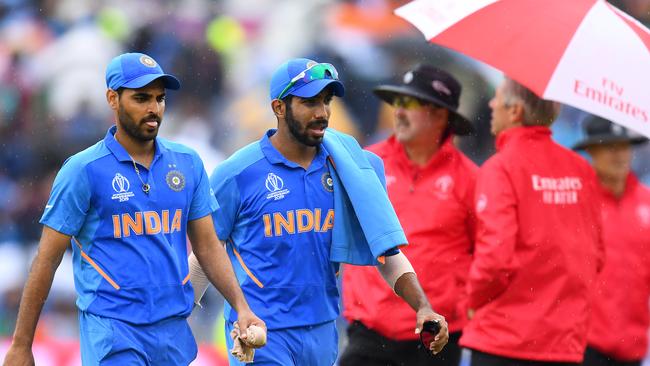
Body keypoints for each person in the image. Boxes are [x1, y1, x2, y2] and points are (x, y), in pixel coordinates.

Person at [3, 52, 264, 366]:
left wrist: (242, 307)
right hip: (114, 330)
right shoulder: (83, 170)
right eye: (141, 98)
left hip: (173, 331)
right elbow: (46, 260)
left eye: (160, 98)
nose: (153, 109)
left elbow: (208, 246)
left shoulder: (187, 163)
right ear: (112, 99)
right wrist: (21, 345)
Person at [190, 58, 449, 366]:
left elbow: (384, 250)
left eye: (326, 102)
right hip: (261, 331)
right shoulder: (237, 173)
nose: (322, 113)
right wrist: (175, 315)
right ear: (279, 107)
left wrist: (422, 305)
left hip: (323, 332)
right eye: (309, 102)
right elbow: (207, 249)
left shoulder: (345, 167)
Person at [459, 77, 604, 365]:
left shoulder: (500, 168)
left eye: (497, 97)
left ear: (516, 112)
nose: (490, 103)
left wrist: (470, 300)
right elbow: (596, 256)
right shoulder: (581, 168)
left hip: (502, 341)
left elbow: (495, 259)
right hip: (563, 344)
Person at [340, 64, 477, 366]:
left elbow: (487, 255)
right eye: (397, 103)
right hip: (369, 334)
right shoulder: (366, 163)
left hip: (435, 340)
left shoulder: (471, 180)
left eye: (410, 104)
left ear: (441, 115)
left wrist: (461, 306)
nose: (398, 112)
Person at [573, 116, 650, 366]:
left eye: (624, 145)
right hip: (583, 345)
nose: (620, 155)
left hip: (633, 348)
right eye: (610, 146)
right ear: (591, 151)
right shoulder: (576, 201)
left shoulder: (647, 202)